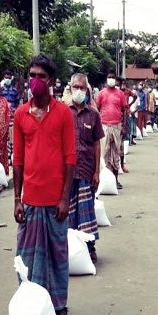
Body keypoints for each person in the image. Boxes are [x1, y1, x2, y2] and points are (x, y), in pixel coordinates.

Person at [13, 54, 76, 315]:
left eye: (40, 76)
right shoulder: (20, 114)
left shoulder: (63, 113)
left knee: (58, 257)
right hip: (29, 200)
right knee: (27, 258)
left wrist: (65, 197)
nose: (35, 80)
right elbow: (18, 160)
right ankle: (29, 304)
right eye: (32, 75)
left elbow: (70, 158)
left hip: (55, 202)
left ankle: (59, 307)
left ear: (50, 80)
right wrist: (17, 198)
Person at [68, 73, 104, 263]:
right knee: (68, 213)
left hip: (86, 171)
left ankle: (89, 248)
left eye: (82, 87)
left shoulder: (93, 114)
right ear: (70, 88)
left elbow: (97, 144)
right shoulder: (63, 112)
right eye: (76, 87)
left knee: (86, 212)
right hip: (67, 173)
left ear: (87, 89)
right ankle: (68, 249)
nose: (79, 91)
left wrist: (97, 172)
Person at [96, 70, 128, 189]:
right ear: (106, 79)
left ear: (116, 80)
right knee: (104, 155)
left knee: (115, 154)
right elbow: (96, 109)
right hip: (104, 126)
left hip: (117, 126)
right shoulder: (101, 93)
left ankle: (115, 180)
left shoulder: (120, 94)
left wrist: (124, 126)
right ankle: (103, 182)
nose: (111, 79)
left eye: (113, 77)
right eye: (109, 77)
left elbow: (125, 110)